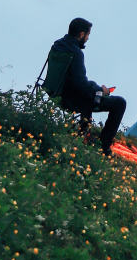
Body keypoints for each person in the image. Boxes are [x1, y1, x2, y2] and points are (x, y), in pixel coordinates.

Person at [47, 17, 126, 156]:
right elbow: (81, 85)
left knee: (89, 93)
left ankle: (83, 133)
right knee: (120, 103)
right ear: (81, 34)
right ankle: (103, 147)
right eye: (88, 35)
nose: (88, 38)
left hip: (54, 92)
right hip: (71, 99)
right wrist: (101, 90)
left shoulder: (57, 46)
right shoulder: (75, 53)